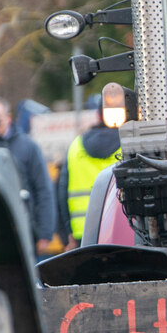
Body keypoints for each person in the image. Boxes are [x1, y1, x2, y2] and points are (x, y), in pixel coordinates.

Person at [0, 97, 57, 259]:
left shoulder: (27, 147)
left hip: (25, 229)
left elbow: (43, 189)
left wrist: (45, 233)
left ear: (8, 117)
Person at [57, 96, 121, 251]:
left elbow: (61, 193)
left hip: (83, 234)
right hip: (122, 230)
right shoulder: (130, 146)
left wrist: (67, 233)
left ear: (98, 115)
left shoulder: (75, 146)